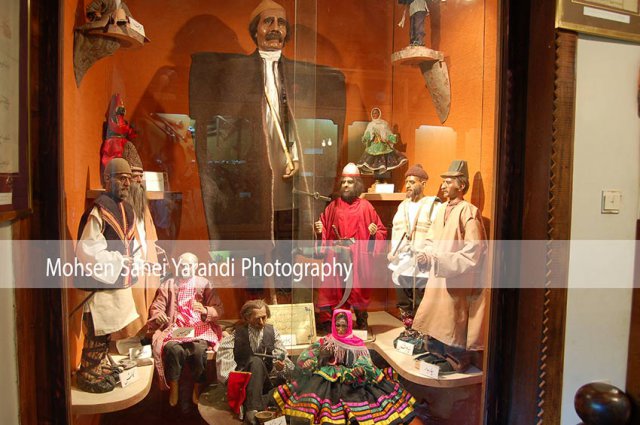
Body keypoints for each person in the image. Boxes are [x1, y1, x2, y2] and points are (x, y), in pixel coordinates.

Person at [189, 0, 346, 241]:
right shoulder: (238, 73)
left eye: (281, 23)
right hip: (253, 171)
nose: (275, 28)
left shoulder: (298, 75)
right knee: (257, 236)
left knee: (288, 234)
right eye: (268, 22)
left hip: (289, 172)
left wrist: (296, 156)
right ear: (255, 30)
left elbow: (300, 120)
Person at [272, 309, 420, 425]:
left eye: (344, 326)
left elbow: (366, 362)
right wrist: (310, 362)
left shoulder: (357, 343)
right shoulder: (327, 340)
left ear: (349, 326)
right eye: (338, 325)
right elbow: (309, 354)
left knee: (365, 400)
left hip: (352, 378)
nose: (340, 329)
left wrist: (360, 369)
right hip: (326, 376)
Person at [412, 160, 487, 374]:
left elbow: (474, 251)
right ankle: (436, 352)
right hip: (437, 274)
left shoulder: (468, 211)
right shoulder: (442, 209)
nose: (443, 185)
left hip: (456, 278)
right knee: (435, 314)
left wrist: (442, 262)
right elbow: (430, 238)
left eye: (448, 181)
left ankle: (455, 359)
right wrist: (425, 255)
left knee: (453, 319)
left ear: (461, 185)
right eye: (443, 181)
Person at [75, 158, 140, 393]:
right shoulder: (99, 210)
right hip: (100, 286)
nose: (127, 183)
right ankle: (89, 371)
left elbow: (131, 242)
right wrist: (118, 261)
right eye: (121, 178)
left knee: (107, 331)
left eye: (129, 179)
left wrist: (133, 261)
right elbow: (88, 249)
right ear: (107, 180)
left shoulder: (128, 209)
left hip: (117, 283)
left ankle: (100, 363)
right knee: (96, 330)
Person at [314, 163, 387, 331]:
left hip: (357, 256)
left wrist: (374, 233)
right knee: (335, 289)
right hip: (336, 255)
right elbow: (324, 226)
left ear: (357, 184)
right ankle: (336, 323)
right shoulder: (333, 206)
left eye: (350, 182)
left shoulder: (366, 206)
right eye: (344, 182)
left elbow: (381, 230)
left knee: (357, 289)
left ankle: (361, 321)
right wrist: (320, 229)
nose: (346, 185)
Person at [147, 252, 224, 406]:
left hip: (197, 327)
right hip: (176, 327)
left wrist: (205, 310)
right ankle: (174, 387)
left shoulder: (204, 283)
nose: (185, 268)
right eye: (182, 265)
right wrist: (159, 315)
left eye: (189, 265)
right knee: (173, 349)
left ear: (195, 266)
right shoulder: (168, 284)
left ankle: (197, 388)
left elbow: (218, 308)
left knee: (199, 351)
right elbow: (158, 305)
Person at [216, 299, 294, 425]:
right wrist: (240, 381)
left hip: (267, 384)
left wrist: (280, 367)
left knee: (288, 390)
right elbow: (225, 372)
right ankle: (255, 409)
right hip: (245, 386)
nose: (261, 322)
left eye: (264, 318)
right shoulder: (236, 336)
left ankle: (251, 408)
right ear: (247, 318)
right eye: (257, 319)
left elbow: (284, 361)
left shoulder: (273, 333)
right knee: (256, 361)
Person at [112, 142, 161, 339]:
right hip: (131, 270)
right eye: (134, 176)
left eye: (141, 176)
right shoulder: (117, 207)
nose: (139, 180)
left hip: (149, 269)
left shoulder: (143, 206)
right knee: (132, 314)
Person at [388, 164, 441, 337]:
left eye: (412, 182)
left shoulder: (433, 205)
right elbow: (396, 231)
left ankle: (421, 332)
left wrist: (428, 254)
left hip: (422, 260)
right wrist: (393, 251)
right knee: (403, 298)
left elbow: (437, 233)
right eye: (406, 182)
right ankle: (408, 329)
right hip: (402, 260)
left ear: (423, 184)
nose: (408, 185)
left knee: (421, 298)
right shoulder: (402, 206)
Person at [356, 107, 408, 175]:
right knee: (372, 160)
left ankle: (381, 173)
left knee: (382, 161)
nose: (374, 115)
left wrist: (393, 137)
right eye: (373, 113)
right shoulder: (370, 124)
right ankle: (376, 173)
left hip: (383, 145)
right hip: (373, 146)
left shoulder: (384, 124)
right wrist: (365, 138)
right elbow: (368, 134)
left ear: (379, 114)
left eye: (376, 113)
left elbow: (388, 133)